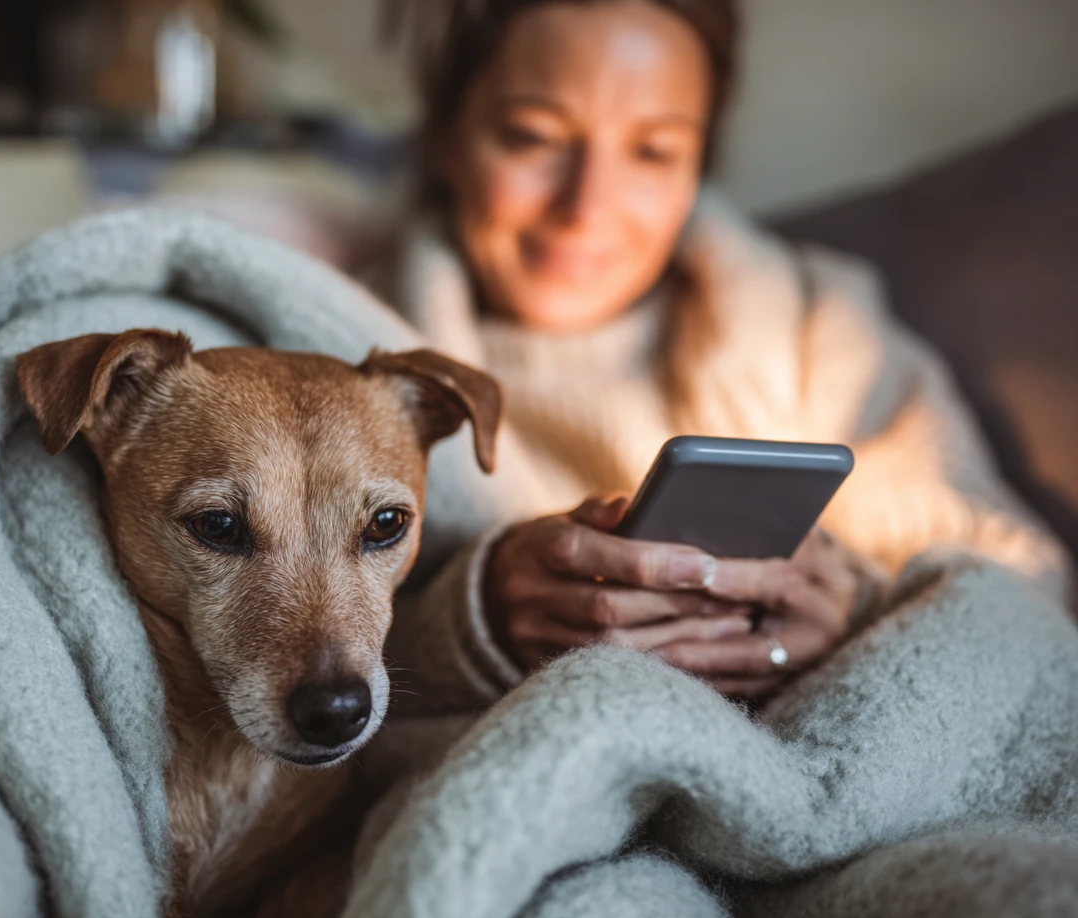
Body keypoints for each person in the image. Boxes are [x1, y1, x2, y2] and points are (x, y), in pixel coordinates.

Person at [368, 0, 1071, 707]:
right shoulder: (349, 352)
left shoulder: (815, 323)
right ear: (446, 140)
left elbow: (1024, 582)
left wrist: (848, 611)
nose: (587, 207)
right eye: (533, 137)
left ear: (698, 164)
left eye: (653, 151)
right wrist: (472, 626)